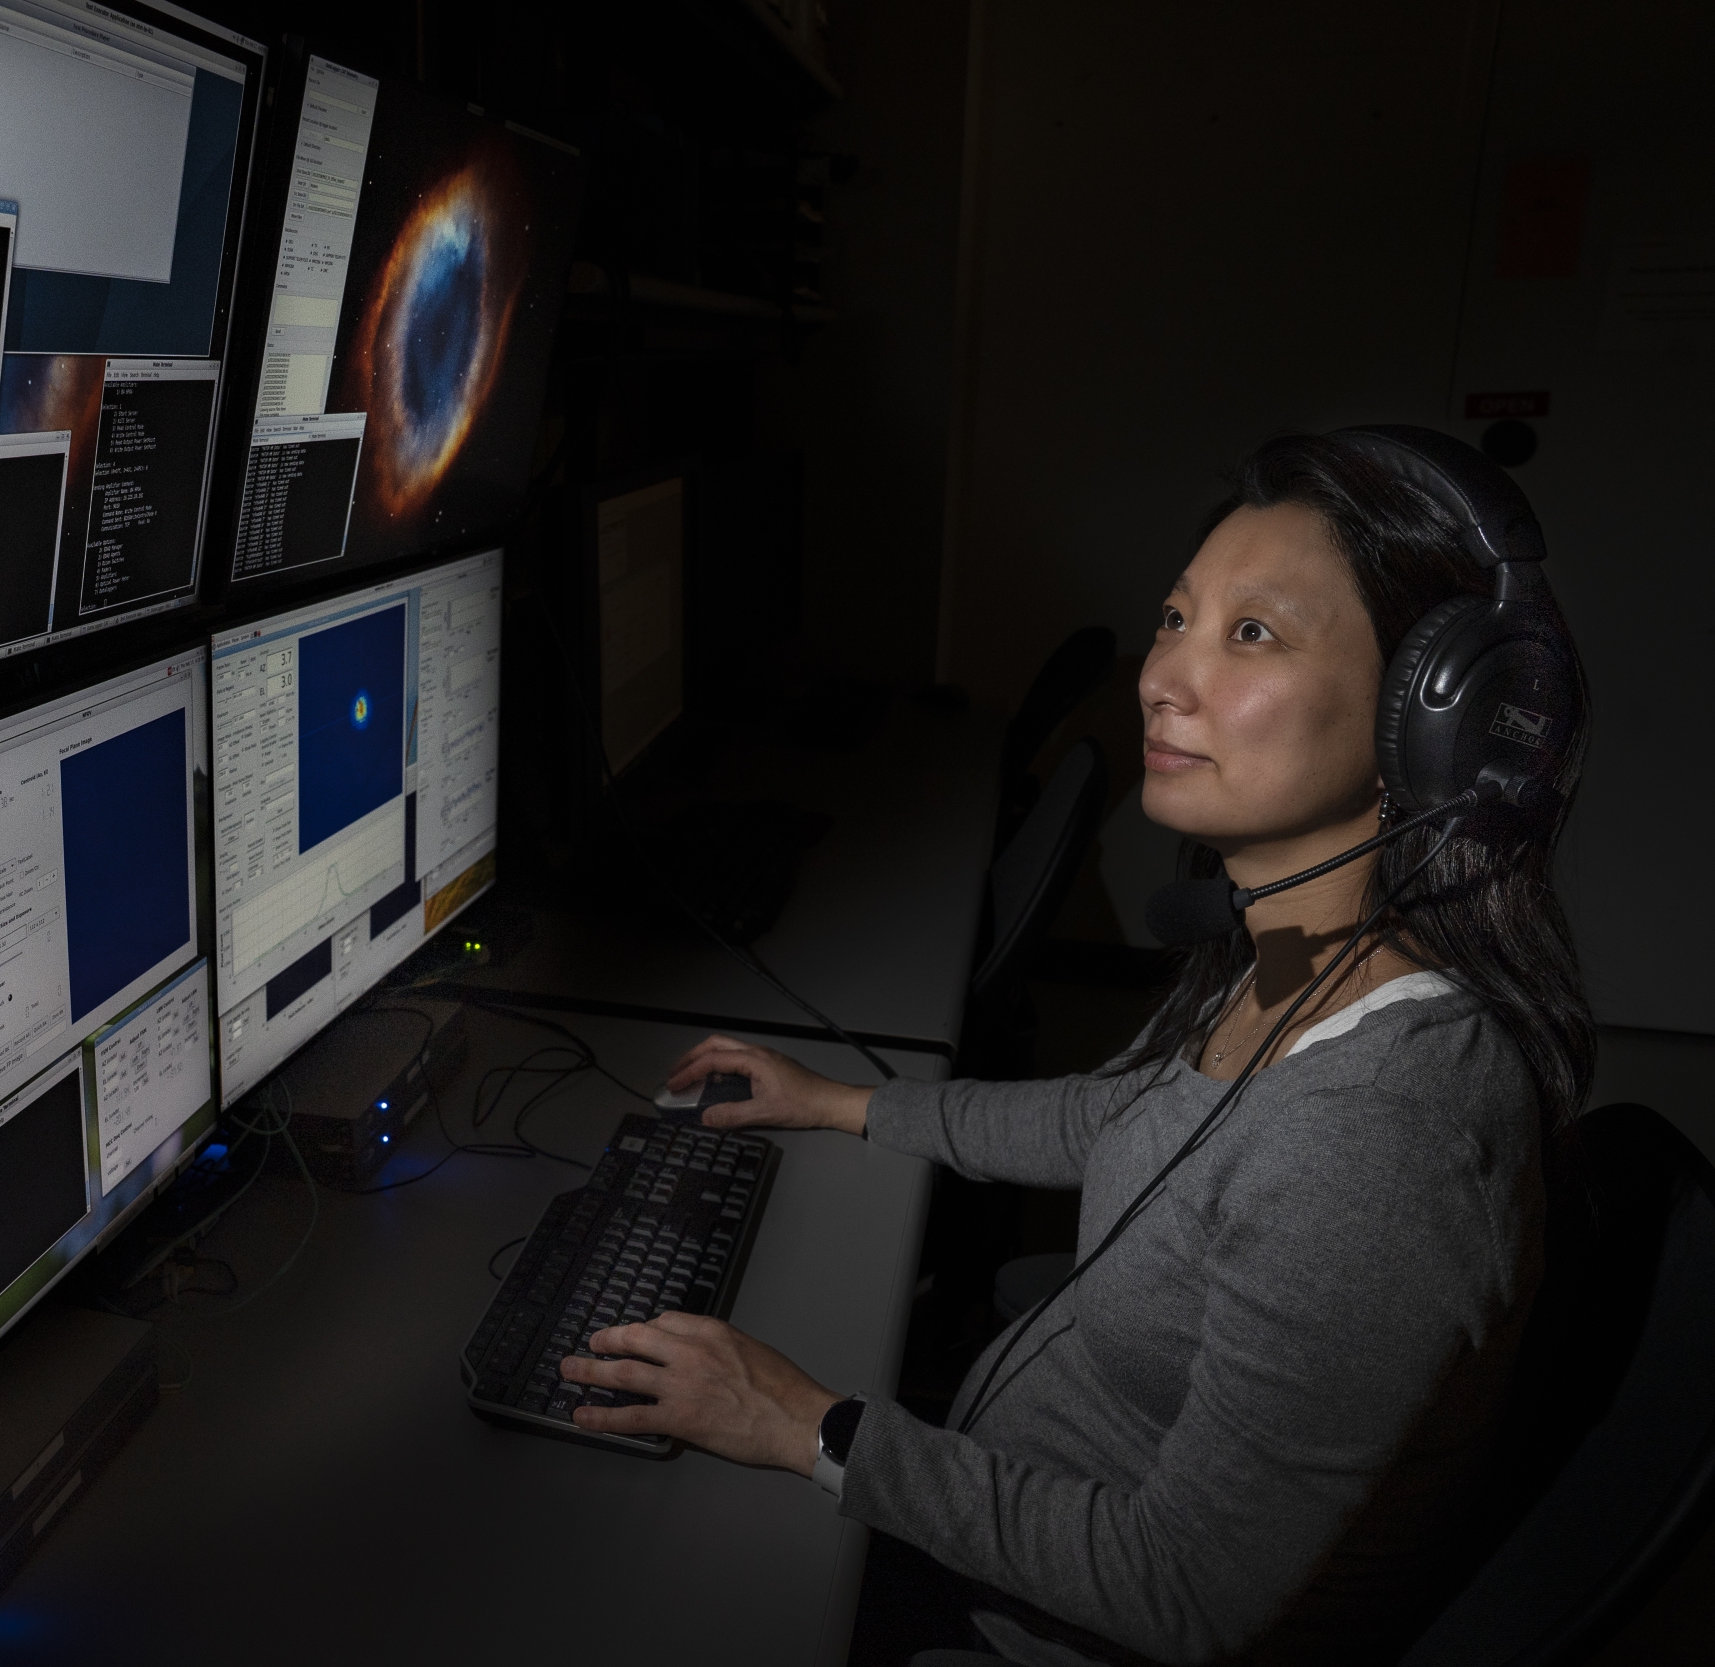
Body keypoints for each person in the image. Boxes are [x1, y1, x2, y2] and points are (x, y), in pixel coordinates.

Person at [557, 431, 1593, 1666]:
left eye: (1250, 632)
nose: (1163, 675)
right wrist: (841, 1104)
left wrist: (805, 1424)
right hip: (985, 1495)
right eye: (1175, 616)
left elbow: (1186, 1592)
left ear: (1432, 726)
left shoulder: (1381, 1137)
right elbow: (1113, 1118)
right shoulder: (1300, 959)